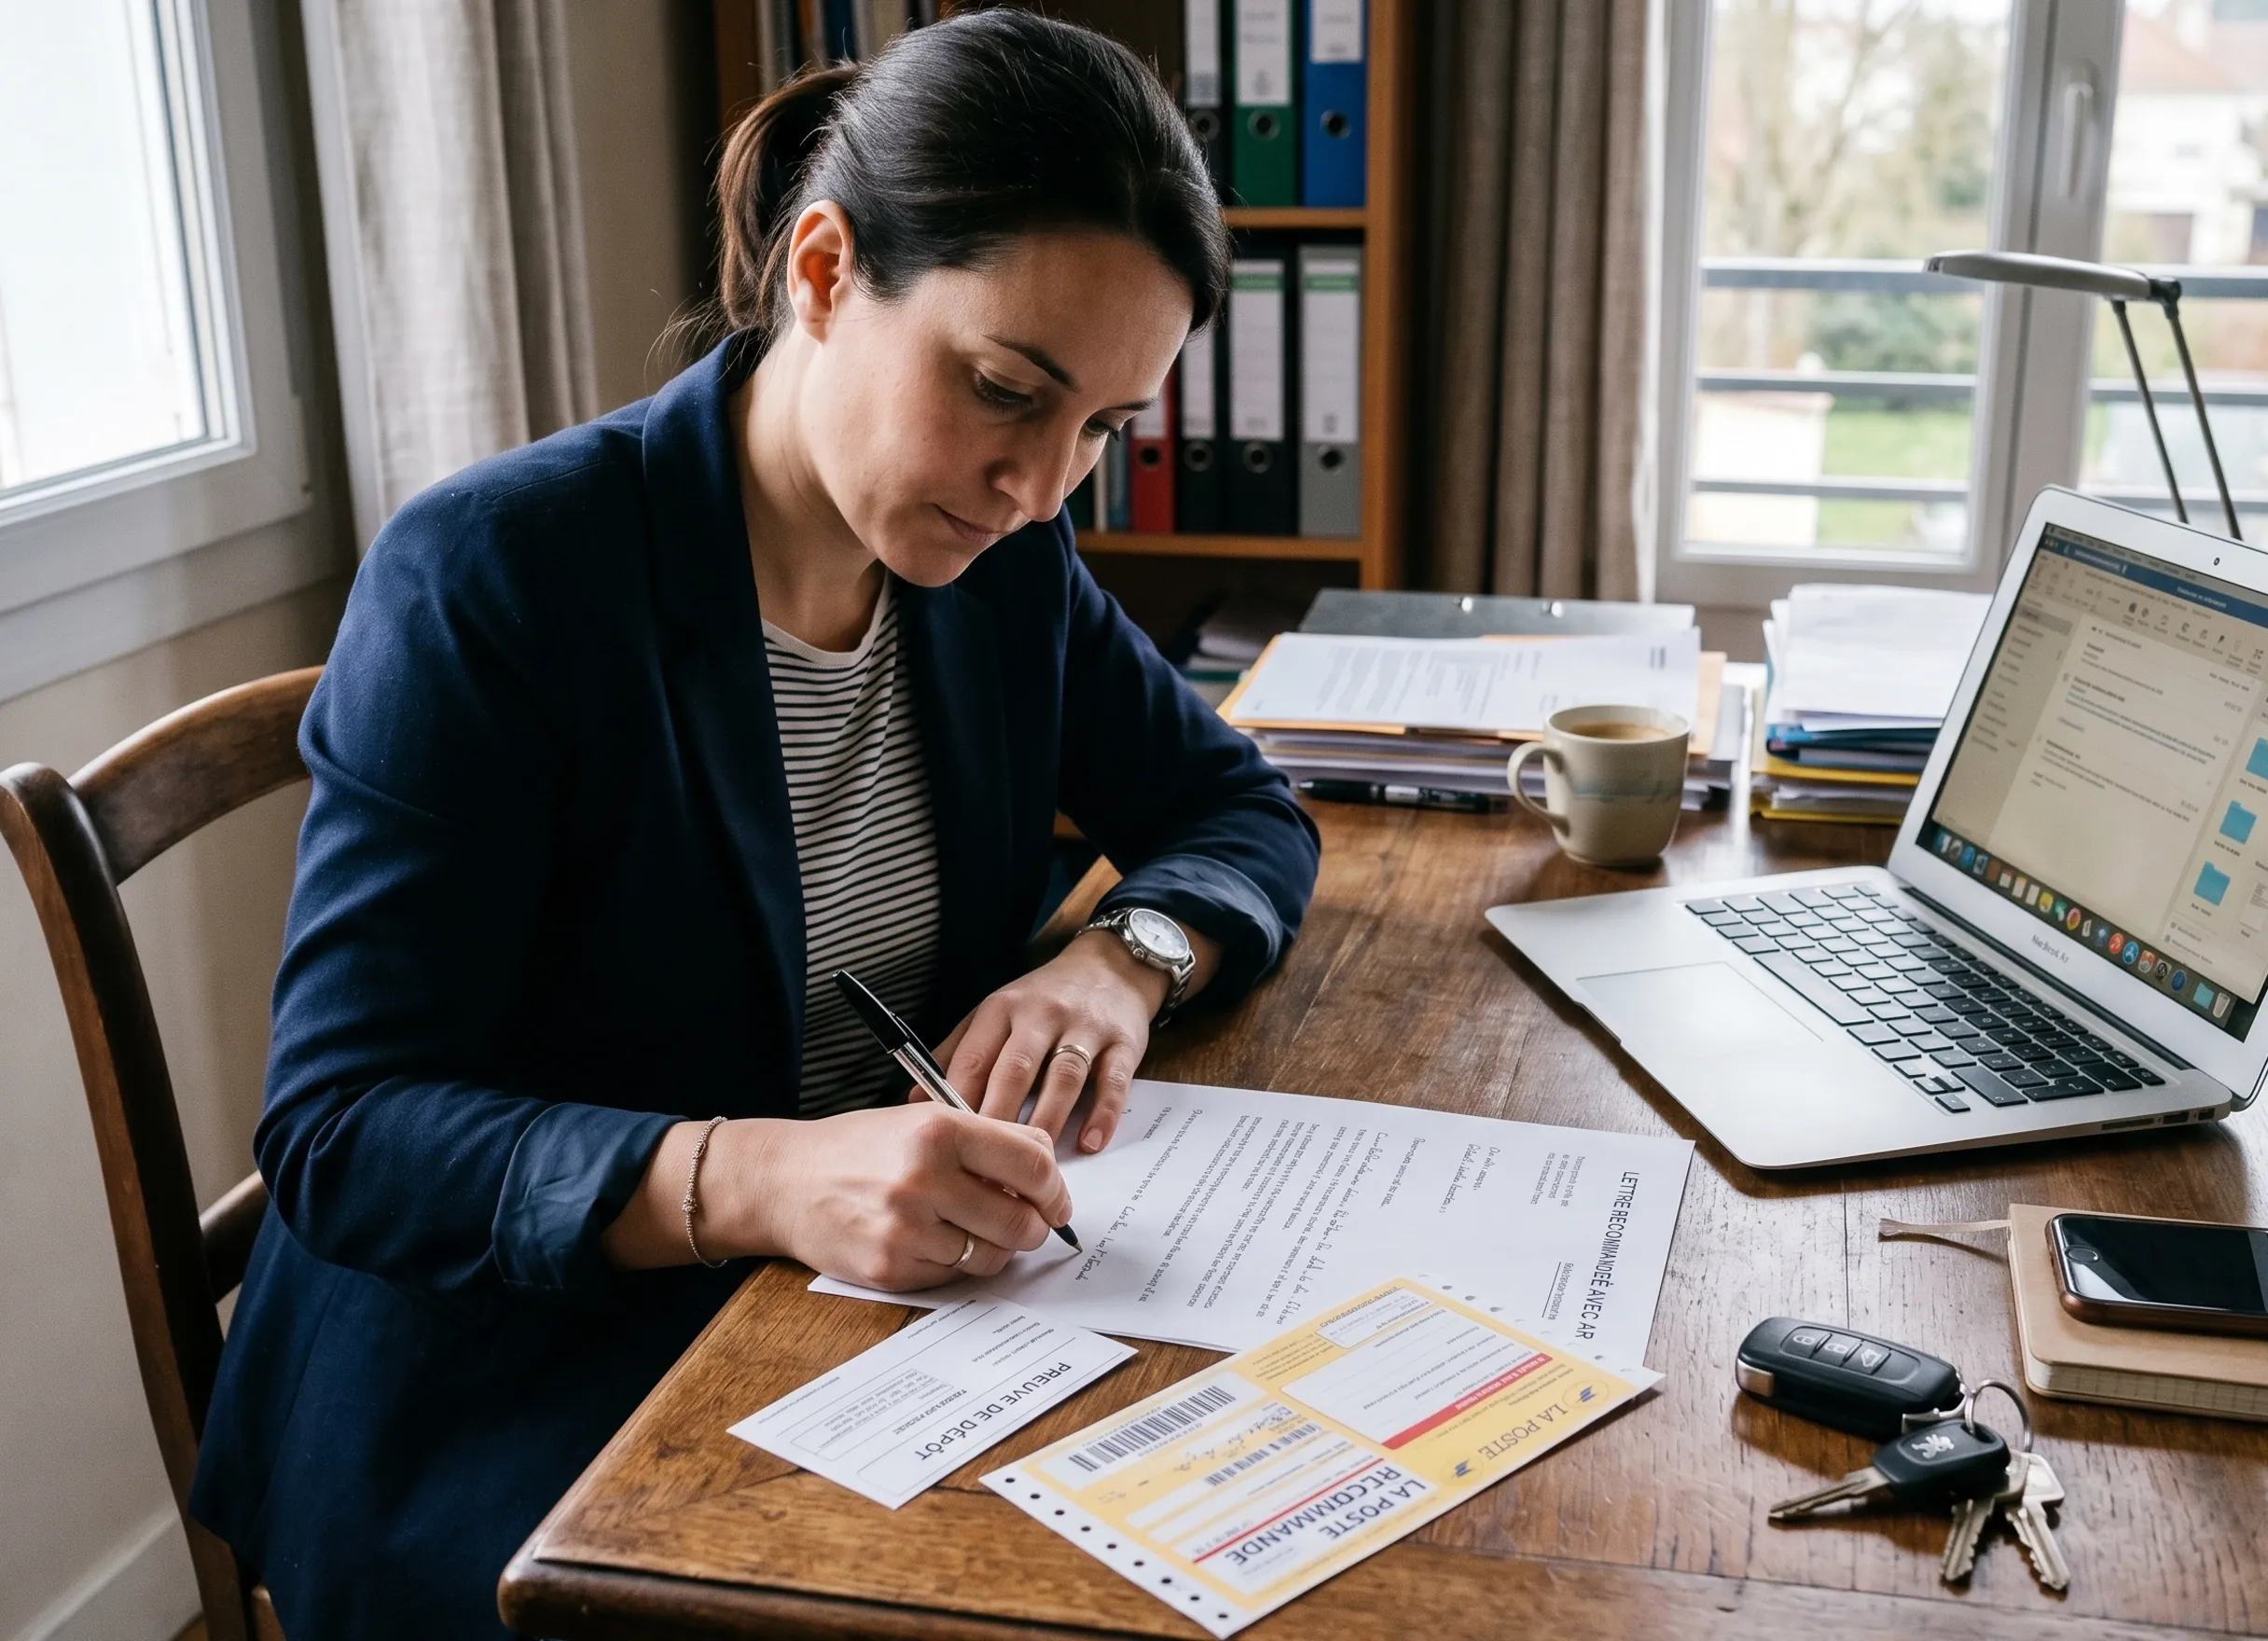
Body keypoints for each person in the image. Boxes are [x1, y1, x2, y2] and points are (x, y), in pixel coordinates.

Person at [187, 12, 1320, 1637]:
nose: (1038, 484)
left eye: (1100, 431)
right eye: (1006, 389)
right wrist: (762, 1180)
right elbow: (347, 1130)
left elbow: (1233, 801)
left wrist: (1120, 959)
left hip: (861, 1313)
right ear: (824, 266)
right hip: (523, 1370)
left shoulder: (999, 566)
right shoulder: (498, 579)